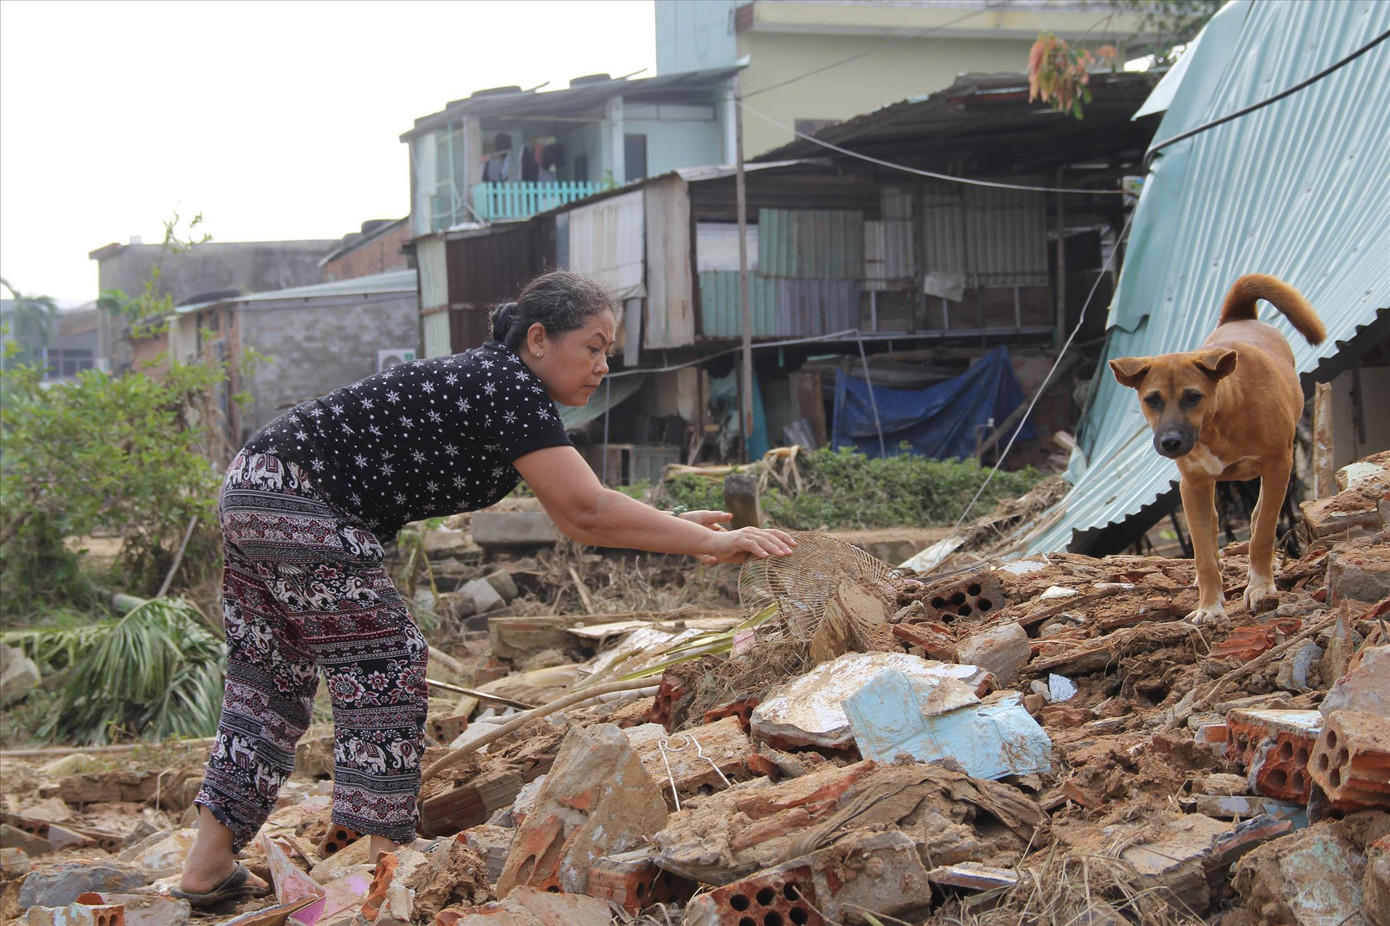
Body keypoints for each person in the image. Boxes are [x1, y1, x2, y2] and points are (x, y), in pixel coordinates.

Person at [174, 270, 795, 906]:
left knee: (271, 679)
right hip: (302, 497)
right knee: (386, 659)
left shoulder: (497, 385)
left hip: (257, 484)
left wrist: (675, 528)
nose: (604, 365)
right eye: (593, 345)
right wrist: (711, 543)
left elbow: (578, 506)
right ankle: (391, 863)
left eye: (609, 351)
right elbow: (585, 512)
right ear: (537, 339)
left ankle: (207, 866)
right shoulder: (507, 385)